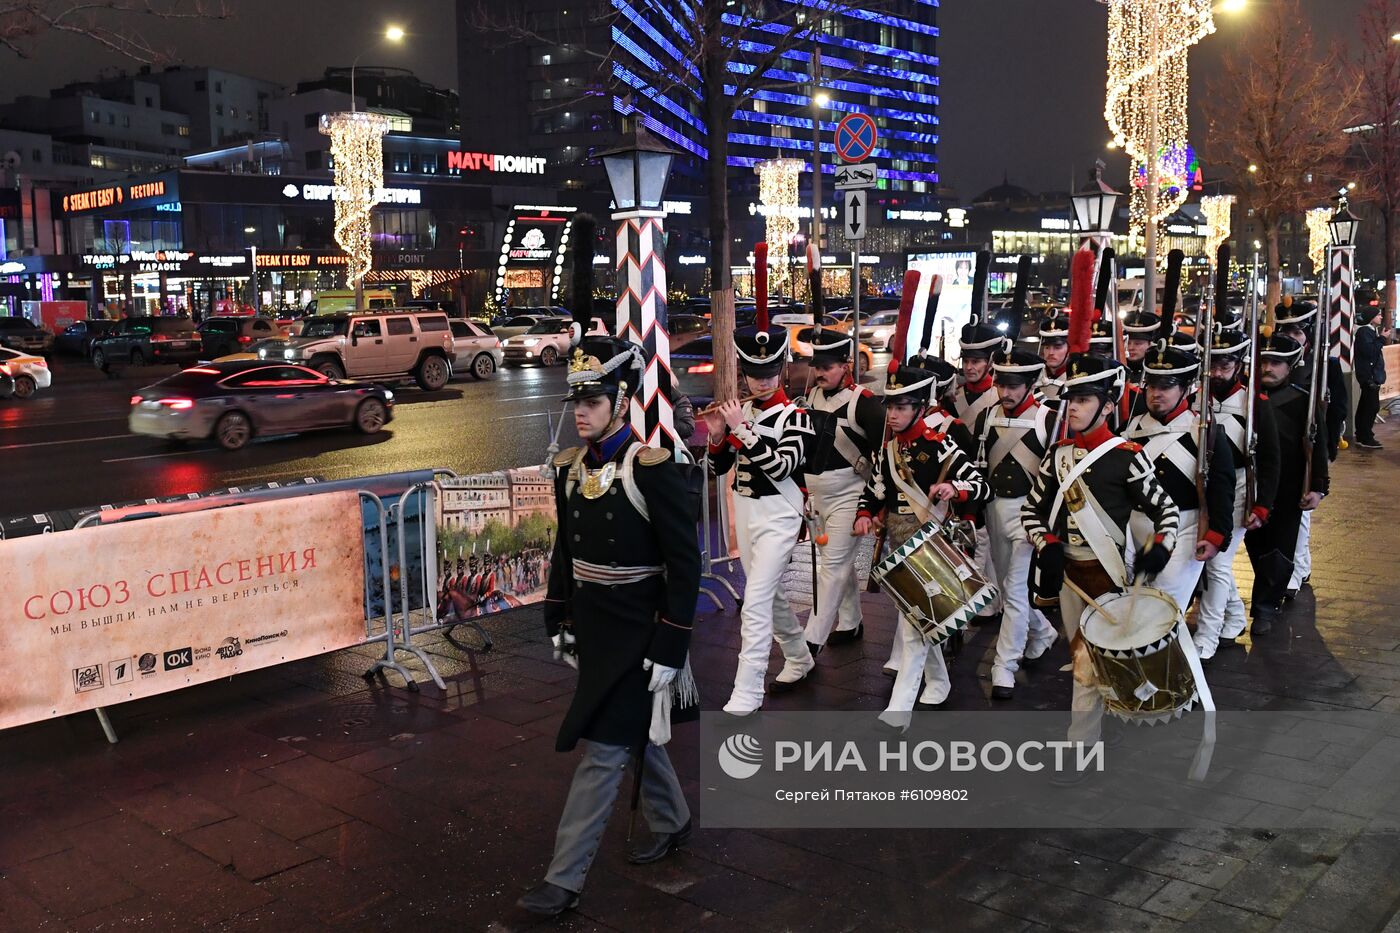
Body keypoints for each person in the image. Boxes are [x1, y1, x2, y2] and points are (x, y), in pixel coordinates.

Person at [520, 333, 702, 918]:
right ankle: (673, 819)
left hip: (644, 633)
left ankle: (563, 880)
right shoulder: (570, 469)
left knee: (603, 750)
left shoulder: (652, 467)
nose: (581, 412)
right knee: (634, 732)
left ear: (621, 401)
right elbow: (564, 550)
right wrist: (558, 615)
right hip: (597, 630)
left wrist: (672, 644)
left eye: (593, 401)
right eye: (576, 400)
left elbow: (684, 562)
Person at [1022, 354, 1178, 744]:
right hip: (1068, 579)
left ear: (1107, 406)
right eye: (1070, 399)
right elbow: (1031, 511)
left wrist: (1160, 547)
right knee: (1084, 659)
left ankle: (1082, 743)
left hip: (1108, 575)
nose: (1072, 407)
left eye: (1084, 400)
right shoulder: (1057, 455)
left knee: (1085, 662)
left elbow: (1166, 510)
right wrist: (1048, 543)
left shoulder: (1127, 457)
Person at [855, 361, 989, 723]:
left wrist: (954, 488)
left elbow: (980, 485)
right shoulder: (888, 451)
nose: (893, 414)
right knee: (918, 618)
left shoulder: (940, 445)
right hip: (898, 545)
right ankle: (939, 683)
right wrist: (865, 514)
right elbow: (875, 490)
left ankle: (899, 709)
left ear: (919, 408)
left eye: (901, 407)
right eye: (891, 406)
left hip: (931, 544)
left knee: (915, 625)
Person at [704, 323, 815, 714]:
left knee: (754, 600)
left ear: (781, 370)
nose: (761, 381)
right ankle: (799, 656)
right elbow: (720, 468)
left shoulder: (796, 416)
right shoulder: (743, 409)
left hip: (781, 514)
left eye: (768, 374)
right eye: (754, 373)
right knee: (768, 595)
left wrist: (741, 430)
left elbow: (782, 467)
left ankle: (747, 691)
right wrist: (718, 436)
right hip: (748, 511)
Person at [1121, 341, 1235, 624]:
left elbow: (1222, 486)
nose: (1156, 394)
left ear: (1185, 388)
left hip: (1185, 526)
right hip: (1135, 524)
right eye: (1152, 386)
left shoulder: (1203, 431)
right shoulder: (1132, 428)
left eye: (1166, 387)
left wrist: (1217, 534)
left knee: (1165, 607)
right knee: (1133, 603)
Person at [972, 340, 1058, 699]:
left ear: (1030, 384)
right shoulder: (986, 416)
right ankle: (1042, 632)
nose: (1005, 391)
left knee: (1018, 592)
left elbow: (1054, 476)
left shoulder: (1048, 419)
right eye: (1001, 384)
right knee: (1008, 590)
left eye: (1013, 385)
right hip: (994, 509)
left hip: (1027, 513)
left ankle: (1004, 665)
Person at [797, 327, 885, 652]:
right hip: (818, 495)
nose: (819, 373)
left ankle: (811, 641)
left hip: (851, 492)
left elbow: (884, 454)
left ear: (845, 365)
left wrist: (874, 503)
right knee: (837, 561)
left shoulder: (865, 403)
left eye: (827, 367)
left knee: (831, 567)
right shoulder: (814, 396)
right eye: (816, 366)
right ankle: (851, 621)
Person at [1196, 324, 1280, 657]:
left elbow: (1272, 460)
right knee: (1210, 562)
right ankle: (1232, 616)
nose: (1217, 373)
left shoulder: (1254, 403)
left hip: (1241, 486)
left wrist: (1262, 506)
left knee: (1216, 562)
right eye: (1212, 365)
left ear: (1239, 364)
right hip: (1205, 487)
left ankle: (1208, 633)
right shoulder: (1198, 398)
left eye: (1225, 366)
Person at [1245, 331, 1328, 636]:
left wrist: (1318, 486)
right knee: (1255, 546)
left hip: (1288, 486)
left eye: (1276, 362)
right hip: (1252, 487)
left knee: (1279, 551)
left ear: (1290, 365)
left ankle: (1266, 606)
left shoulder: (1302, 401)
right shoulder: (1247, 399)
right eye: (1264, 361)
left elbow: (1317, 446)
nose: (1268, 368)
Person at [1276, 299, 1343, 599]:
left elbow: (1337, 407)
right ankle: (1299, 566)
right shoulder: (1276, 362)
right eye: (1286, 333)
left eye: (1297, 334)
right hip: (1284, 446)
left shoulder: (1325, 364)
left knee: (1301, 510)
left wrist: (1327, 449)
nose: (1291, 339)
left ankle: (1297, 567)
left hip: (1311, 444)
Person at [952, 319, 1004, 625]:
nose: (970, 368)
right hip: (959, 475)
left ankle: (987, 602)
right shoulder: (955, 393)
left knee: (985, 541)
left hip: (989, 476)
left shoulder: (999, 395)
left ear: (989, 363)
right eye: (967, 361)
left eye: (977, 362)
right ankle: (992, 600)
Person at [1353, 304, 1387, 449]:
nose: (1381, 317)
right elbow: (1369, 351)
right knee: (1371, 407)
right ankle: (1366, 437)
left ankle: (1362, 435)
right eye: (1378, 315)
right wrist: (1382, 339)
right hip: (1369, 376)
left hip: (1370, 375)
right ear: (1372, 318)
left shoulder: (1369, 331)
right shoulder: (1364, 332)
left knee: (1366, 405)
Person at [1035, 308, 1071, 403]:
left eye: (1057, 347)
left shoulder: (1076, 378)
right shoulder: (1034, 376)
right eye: (1047, 347)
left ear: (1069, 349)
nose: (1051, 352)